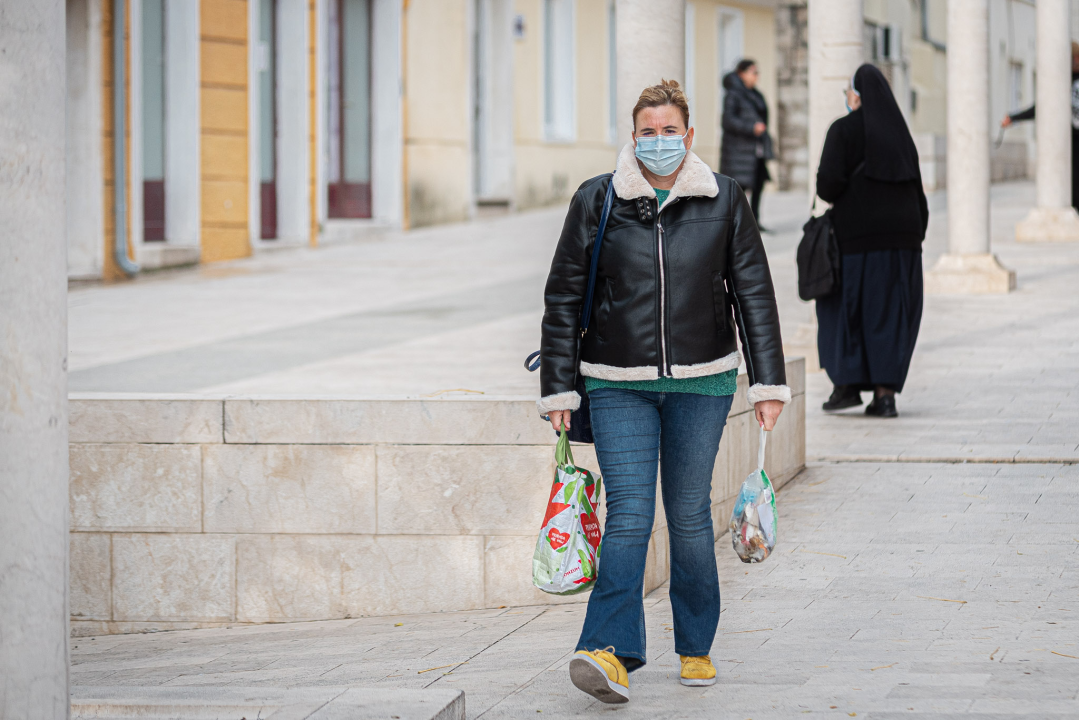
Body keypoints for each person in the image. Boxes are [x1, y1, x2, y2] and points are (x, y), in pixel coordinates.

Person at [537, 79, 790, 704]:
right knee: (628, 515)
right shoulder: (598, 200)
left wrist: (767, 381)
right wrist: (559, 391)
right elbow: (564, 296)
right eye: (646, 133)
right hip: (617, 381)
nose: (658, 142)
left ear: (689, 134)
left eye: (668, 131)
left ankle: (696, 644)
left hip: (703, 382)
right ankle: (607, 651)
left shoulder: (725, 197)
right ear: (633, 136)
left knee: (687, 515)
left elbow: (753, 291)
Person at [815, 64, 928, 418]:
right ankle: (885, 396)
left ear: (856, 95)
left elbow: (827, 186)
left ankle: (847, 386)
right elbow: (917, 190)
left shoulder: (843, 130)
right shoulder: (900, 134)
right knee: (891, 317)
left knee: (847, 313)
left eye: (848, 93)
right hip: (904, 244)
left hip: (857, 242)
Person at [1000, 42, 1079, 211]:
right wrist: (1014, 117)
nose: (1076, 61)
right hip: (1070, 143)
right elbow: (1042, 108)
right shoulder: (1062, 82)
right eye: (1073, 58)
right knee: (1072, 181)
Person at [720, 59, 774, 230]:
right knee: (738, 190)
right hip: (739, 152)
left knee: (758, 185)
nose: (756, 76)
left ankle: (754, 222)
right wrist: (751, 128)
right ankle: (736, 225)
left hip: (756, 150)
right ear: (742, 73)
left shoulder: (755, 94)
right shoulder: (733, 94)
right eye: (753, 72)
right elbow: (727, 121)